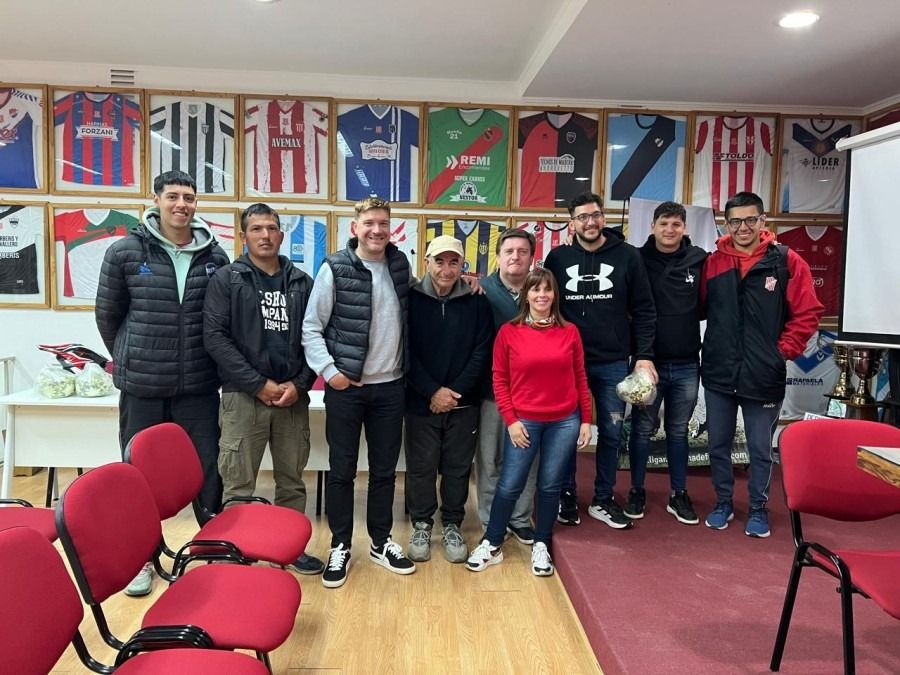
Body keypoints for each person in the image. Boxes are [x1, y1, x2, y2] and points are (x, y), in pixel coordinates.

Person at [95, 170, 229, 596]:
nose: (181, 205)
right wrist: (131, 354)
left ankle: (211, 546)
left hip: (199, 386)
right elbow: (108, 315)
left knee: (208, 468)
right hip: (143, 386)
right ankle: (142, 558)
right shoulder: (124, 252)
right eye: (173, 196)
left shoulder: (215, 257)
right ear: (156, 199)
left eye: (189, 198)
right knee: (138, 475)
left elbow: (221, 320)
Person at [203, 203, 324, 575]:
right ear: (244, 236)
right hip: (243, 397)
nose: (265, 235)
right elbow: (215, 338)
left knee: (292, 480)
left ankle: (288, 549)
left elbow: (315, 337)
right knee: (238, 482)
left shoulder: (302, 282)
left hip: (291, 398)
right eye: (257, 229)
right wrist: (258, 385)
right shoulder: (227, 279)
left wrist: (299, 384)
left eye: (271, 228)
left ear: (281, 235)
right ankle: (237, 553)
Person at [302, 196, 415, 588]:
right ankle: (341, 544)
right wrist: (330, 372)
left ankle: (381, 543)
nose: (376, 230)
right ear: (355, 227)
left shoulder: (400, 265)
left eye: (383, 223)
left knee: (385, 472)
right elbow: (311, 327)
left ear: (390, 227)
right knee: (342, 471)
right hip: (347, 389)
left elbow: (414, 305)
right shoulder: (336, 267)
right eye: (369, 223)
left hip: (391, 387)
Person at [701, 191, 823, 537]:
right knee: (718, 445)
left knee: (759, 448)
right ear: (727, 224)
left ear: (762, 221)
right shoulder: (714, 263)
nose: (743, 227)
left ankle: (758, 507)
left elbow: (808, 312)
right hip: (719, 372)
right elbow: (699, 307)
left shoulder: (785, 261)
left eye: (750, 220)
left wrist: (782, 351)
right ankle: (723, 502)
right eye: (736, 221)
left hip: (763, 372)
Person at [466, 268, 592, 577]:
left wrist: (586, 421)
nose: (541, 295)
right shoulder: (509, 331)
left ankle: (541, 544)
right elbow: (500, 379)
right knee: (509, 484)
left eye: (547, 290)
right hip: (525, 422)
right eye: (536, 290)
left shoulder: (570, 331)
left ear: (554, 295)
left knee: (549, 485)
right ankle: (492, 542)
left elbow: (580, 377)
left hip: (564, 421)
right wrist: (510, 421)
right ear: (527, 295)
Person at [543, 192, 657, 530]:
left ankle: (603, 498)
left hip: (612, 362)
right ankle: (566, 494)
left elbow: (644, 310)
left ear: (602, 217)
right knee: (565, 433)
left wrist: (644, 356)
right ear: (571, 222)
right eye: (581, 217)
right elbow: (545, 303)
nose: (589, 222)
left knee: (611, 430)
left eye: (595, 215)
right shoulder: (558, 258)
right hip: (566, 361)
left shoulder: (628, 256)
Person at [405, 235, 492, 563]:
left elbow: (481, 351)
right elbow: (404, 350)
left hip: (463, 403)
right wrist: (432, 391)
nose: (446, 268)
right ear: (426, 261)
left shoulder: (476, 300)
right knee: (421, 468)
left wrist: (452, 394)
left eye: (453, 261)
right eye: (439, 261)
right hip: (420, 401)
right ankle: (422, 523)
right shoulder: (410, 299)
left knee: (457, 468)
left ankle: (453, 523)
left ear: (462, 266)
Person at [626, 202, 708, 525]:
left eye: (676, 224)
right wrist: (640, 356)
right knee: (642, 428)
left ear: (684, 227)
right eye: (664, 224)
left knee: (678, 431)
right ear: (653, 226)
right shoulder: (636, 259)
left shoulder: (699, 259)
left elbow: (705, 303)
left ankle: (679, 493)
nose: (670, 230)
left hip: (688, 363)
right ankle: (636, 488)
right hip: (647, 364)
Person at [477, 228, 540, 545]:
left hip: (533, 396)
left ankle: (519, 517)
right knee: (490, 460)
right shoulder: (480, 290)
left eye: (522, 251)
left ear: (531, 257)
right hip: (492, 392)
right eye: (509, 251)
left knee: (527, 459)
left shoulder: (541, 291)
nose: (515, 256)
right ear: (498, 256)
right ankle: (491, 520)